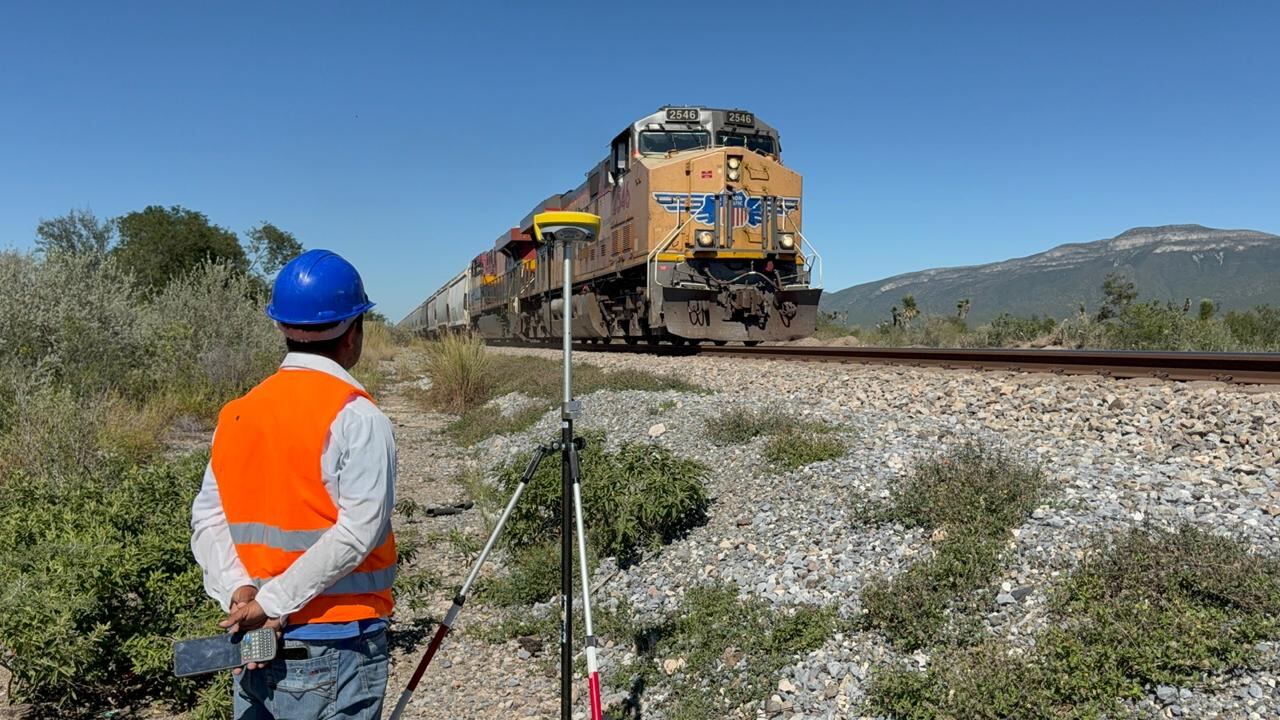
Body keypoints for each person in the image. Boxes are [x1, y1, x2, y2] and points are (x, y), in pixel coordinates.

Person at [191, 249, 397, 719]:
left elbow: (208, 518)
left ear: (281, 326)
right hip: (336, 643)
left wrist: (239, 593)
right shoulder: (357, 416)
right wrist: (270, 603)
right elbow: (358, 531)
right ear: (353, 331)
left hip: (254, 638)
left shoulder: (238, 414)